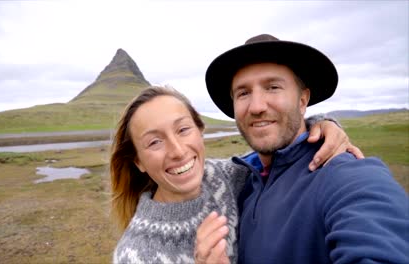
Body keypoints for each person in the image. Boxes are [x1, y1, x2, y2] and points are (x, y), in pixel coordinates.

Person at [196, 34, 409, 263]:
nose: (256, 106)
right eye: (243, 93)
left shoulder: (348, 176)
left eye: (273, 87)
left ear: (302, 100)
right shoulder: (242, 182)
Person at [110, 86, 361, 263]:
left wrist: (321, 128)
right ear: (138, 161)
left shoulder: (229, 177)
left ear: (200, 130)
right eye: (154, 142)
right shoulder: (134, 255)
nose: (177, 151)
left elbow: (277, 153)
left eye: (183, 130)